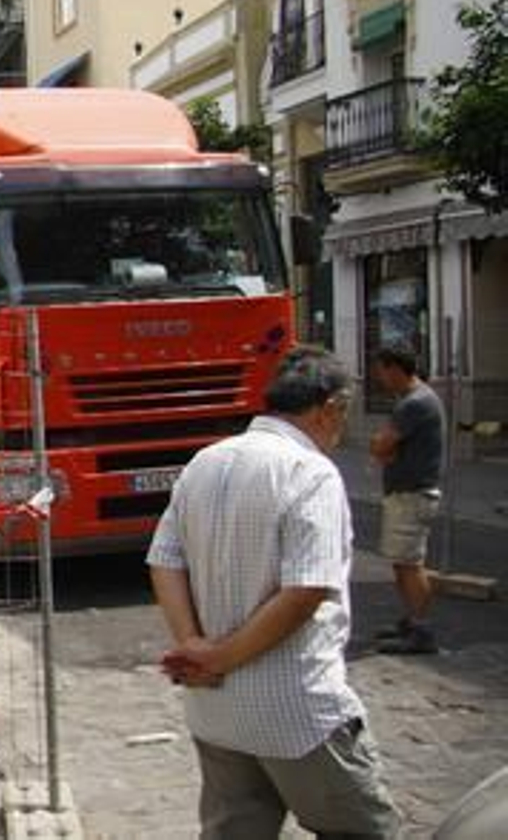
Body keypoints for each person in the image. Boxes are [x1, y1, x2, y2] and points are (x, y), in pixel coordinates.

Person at [147, 345, 398, 839]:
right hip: (297, 710)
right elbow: (305, 589)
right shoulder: (310, 472)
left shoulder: (206, 461)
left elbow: (164, 558)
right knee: (367, 831)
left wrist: (193, 644)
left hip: (215, 710)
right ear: (330, 409)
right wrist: (218, 657)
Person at [369, 345, 446, 655]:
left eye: (381, 370)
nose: (379, 377)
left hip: (412, 493)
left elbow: (381, 444)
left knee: (410, 564)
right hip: (411, 491)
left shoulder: (414, 403)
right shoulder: (415, 400)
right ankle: (412, 621)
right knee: (403, 562)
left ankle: (421, 628)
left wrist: (384, 449)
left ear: (394, 369)